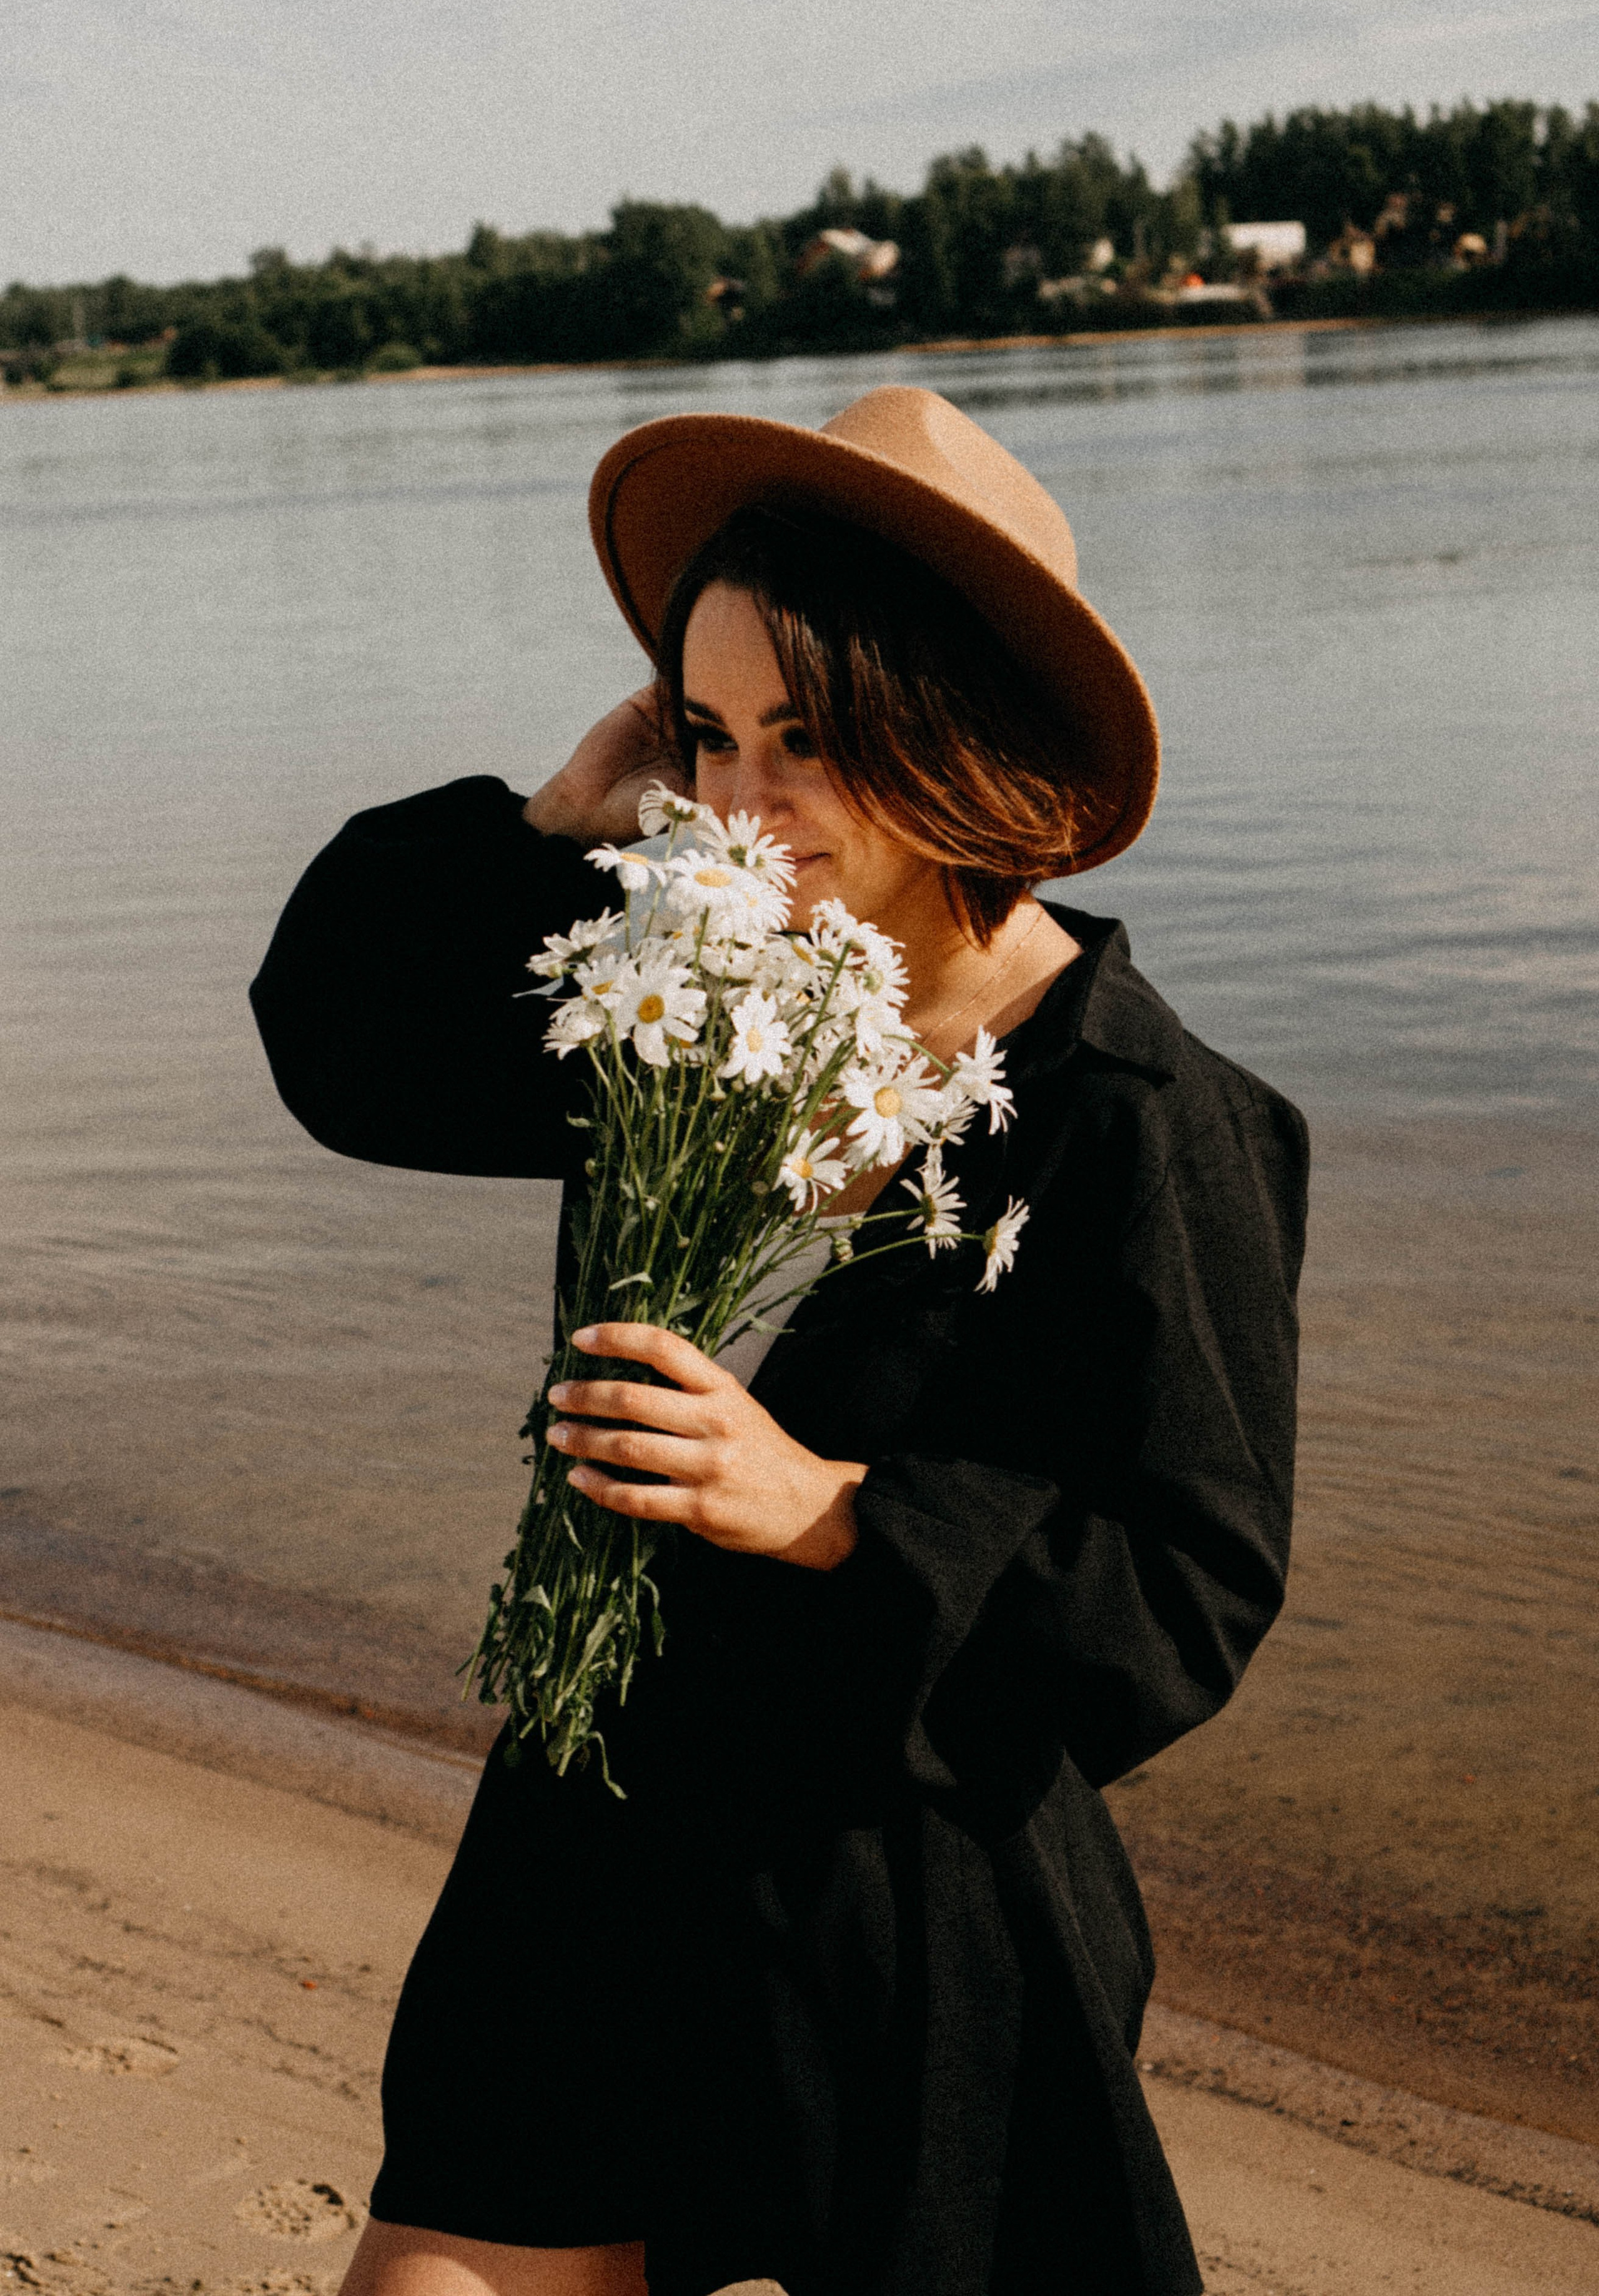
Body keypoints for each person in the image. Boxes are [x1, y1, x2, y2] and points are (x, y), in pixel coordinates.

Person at [250, 386, 1309, 2296]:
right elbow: (341, 1051)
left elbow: (1187, 1596)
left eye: (806, 742)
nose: (739, 809)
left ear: (951, 730)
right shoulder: (683, 995)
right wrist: (553, 816)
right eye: (711, 735)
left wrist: (829, 1509)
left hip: (892, 1921)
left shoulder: (1144, 1115)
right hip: (585, 1832)